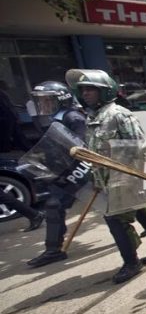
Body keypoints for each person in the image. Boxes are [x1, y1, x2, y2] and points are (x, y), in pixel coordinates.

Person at [65, 69, 146, 284]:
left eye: (91, 90)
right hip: (106, 179)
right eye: (83, 90)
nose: (85, 93)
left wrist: (138, 178)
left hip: (125, 178)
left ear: (104, 92)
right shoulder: (93, 117)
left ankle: (132, 263)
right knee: (144, 213)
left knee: (116, 220)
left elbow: (140, 147)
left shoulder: (118, 114)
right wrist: (97, 180)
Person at [25, 81, 90, 267]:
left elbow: (80, 146)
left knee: (112, 206)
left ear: (61, 99)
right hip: (63, 171)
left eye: (48, 100)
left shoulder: (73, 117)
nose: (44, 104)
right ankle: (53, 250)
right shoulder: (55, 118)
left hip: (78, 171)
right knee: (54, 207)